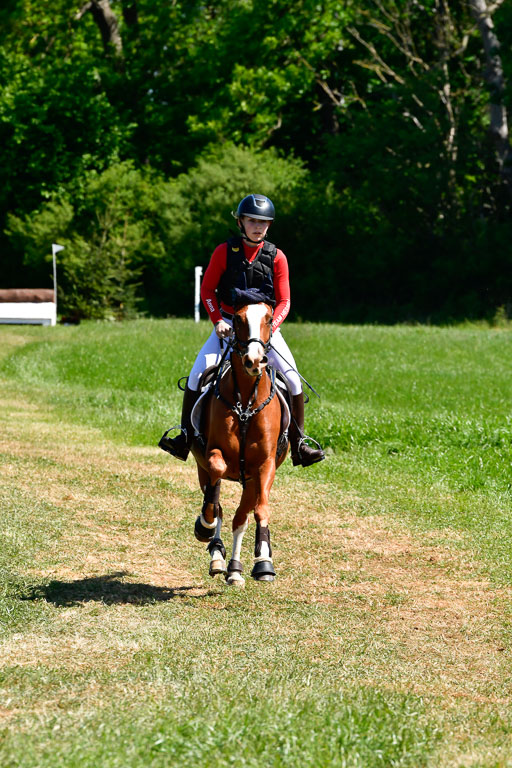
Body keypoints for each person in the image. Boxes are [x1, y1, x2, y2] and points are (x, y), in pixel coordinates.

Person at [159, 193, 325, 467]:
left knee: (293, 380)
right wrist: (217, 320)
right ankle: (185, 436)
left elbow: (285, 301)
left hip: (264, 330)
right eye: (252, 221)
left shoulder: (277, 257)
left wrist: (271, 328)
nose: (257, 227)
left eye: (263, 222)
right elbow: (207, 290)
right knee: (197, 375)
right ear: (240, 222)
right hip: (228, 327)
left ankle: (299, 444)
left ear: (269, 225)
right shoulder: (224, 252)